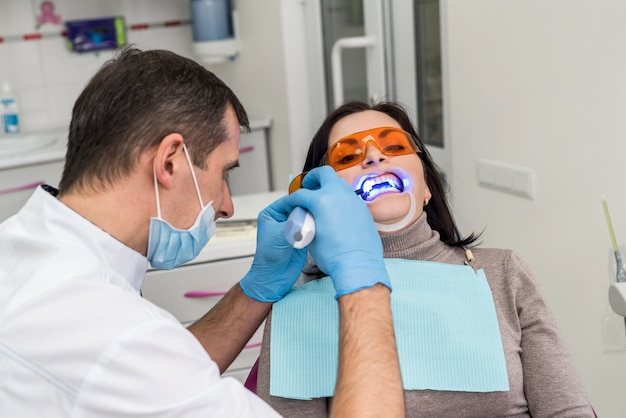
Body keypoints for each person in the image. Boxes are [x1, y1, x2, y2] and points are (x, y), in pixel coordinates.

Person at [0, 48, 405, 417]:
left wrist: (255, 289)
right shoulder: (110, 334)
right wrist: (363, 282)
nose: (228, 205)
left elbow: (159, 371)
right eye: (225, 172)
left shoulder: (21, 247)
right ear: (170, 162)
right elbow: (140, 366)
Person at [255, 100, 596, 417]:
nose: (374, 157)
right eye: (347, 156)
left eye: (394, 146)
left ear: (427, 186)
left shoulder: (502, 273)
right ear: (317, 197)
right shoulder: (298, 306)